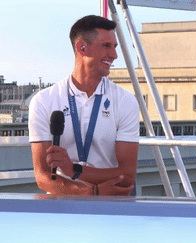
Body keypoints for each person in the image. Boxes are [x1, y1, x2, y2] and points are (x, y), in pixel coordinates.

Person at [29, 15, 140, 196]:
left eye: (114, 47)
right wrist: (92, 193)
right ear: (81, 47)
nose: (114, 55)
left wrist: (73, 170)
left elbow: (126, 176)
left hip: (109, 209)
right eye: (106, 46)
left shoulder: (126, 101)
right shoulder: (43, 100)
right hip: (68, 208)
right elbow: (42, 177)